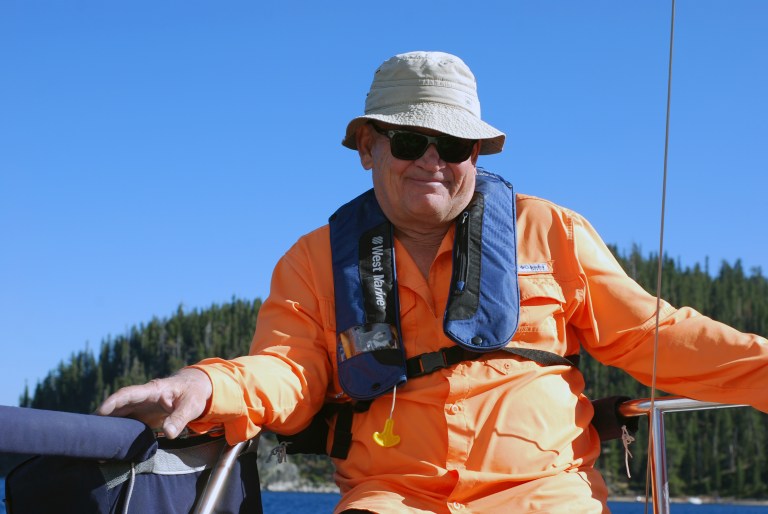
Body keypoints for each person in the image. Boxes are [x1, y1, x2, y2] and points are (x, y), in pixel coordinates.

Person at [98, 51, 768, 513]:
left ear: (475, 154)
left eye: (452, 147)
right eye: (409, 140)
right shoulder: (311, 261)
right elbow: (288, 373)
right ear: (367, 146)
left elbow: (653, 336)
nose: (432, 161)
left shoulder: (552, 230)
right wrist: (208, 384)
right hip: (391, 497)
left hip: (541, 494)